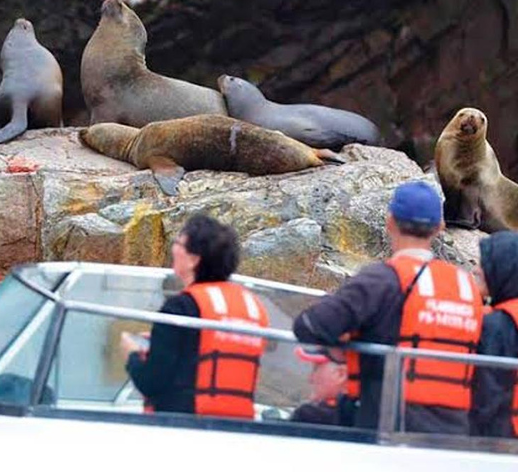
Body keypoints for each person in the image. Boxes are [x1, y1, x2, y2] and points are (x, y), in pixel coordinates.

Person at [293, 181, 484, 434]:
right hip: (454, 433)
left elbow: (308, 327)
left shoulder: (381, 279)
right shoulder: (466, 286)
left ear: (389, 221)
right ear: (440, 227)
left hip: (385, 424)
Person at [120, 214, 270, 419]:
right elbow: (206, 347)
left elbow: (151, 382)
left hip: (181, 423)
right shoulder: (253, 307)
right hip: (237, 427)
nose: (173, 249)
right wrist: (163, 339)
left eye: (178, 243)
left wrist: (132, 354)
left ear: (193, 259)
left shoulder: (180, 308)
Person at [470, 231, 518, 438]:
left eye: (486, 265)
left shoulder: (497, 325)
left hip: (499, 438)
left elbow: (488, 393)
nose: (477, 270)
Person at [289, 346, 355, 426]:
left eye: (315, 368)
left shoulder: (308, 416)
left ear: (340, 374)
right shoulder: (365, 415)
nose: (310, 379)